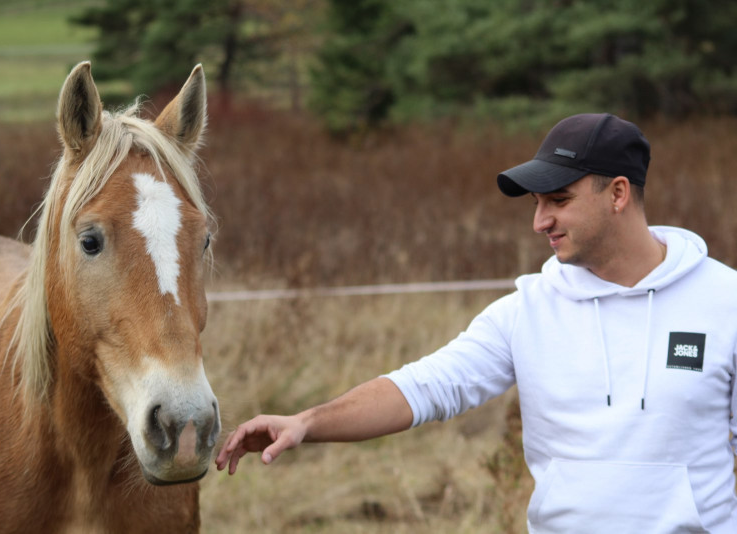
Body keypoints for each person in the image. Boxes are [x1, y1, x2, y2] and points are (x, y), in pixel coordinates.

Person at [216, 113, 737, 532]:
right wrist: (307, 423)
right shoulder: (527, 311)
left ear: (618, 194)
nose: (540, 222)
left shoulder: (724, 302)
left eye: (559, 200)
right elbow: (426, 386)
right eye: (537, 203)